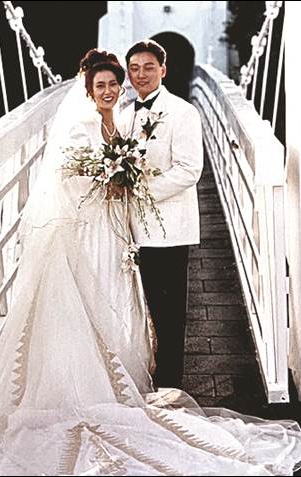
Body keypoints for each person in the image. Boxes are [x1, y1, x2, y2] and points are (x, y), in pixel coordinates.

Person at [0, 49, 301, 476]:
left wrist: (129, 185)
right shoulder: (90, 122)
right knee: (91, 300)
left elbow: (187, 169)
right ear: (88, 89)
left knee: (137, 302)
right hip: (93, 226)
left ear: (161, 70)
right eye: (109, 81)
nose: (114, 88)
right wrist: (109, 179)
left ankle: (156, 384)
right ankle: (85, 383)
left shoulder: (159, 114)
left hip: (132, 226)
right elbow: (66, 174)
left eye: (118, 82)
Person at [120, 39, 203, 389]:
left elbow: (189, 169)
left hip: (170, 226)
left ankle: (171, 383)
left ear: (163, 70)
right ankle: (149, 371)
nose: (141, 74)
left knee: (170, 311)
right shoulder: (123, 116)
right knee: (145, 305)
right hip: (132, 227)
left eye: (148, 67)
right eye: (134, 68)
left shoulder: (183, 112)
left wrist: (139, 191)